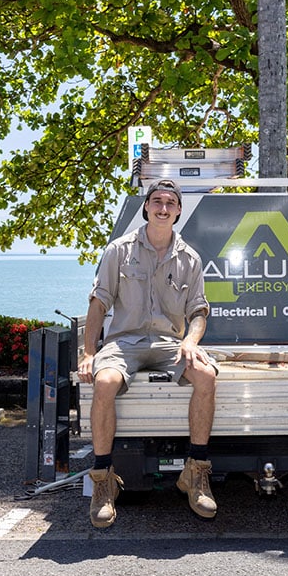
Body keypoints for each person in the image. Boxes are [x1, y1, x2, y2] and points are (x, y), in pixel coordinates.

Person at [77, 178, 219, 527]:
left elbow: (199, 312)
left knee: (206, 375)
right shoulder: (119, 250)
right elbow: (98, 304)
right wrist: (88, 352)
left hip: (169, 343)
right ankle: (103, 478)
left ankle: (196, 472)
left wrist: (190, 342)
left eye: (171, 203)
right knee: (105, 382)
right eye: (157, 201)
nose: (163, 208)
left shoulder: (190, 258)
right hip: (124, 343)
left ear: (179, 211)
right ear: (146, 207)